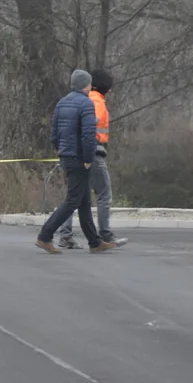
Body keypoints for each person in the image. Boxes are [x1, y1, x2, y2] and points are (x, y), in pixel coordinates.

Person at [36, 70, 116, 255]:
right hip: (80, 158)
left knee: (84, 201)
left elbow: (54, 133)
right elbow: (88, 135)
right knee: (73, 201)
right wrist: (88, 159)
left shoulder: (62, 103)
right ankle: (45, 235)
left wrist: (60, 150)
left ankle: (95, 242)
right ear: (86, 85)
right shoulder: (86, 104)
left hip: (66, 156)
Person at [56, 68, 127, 249]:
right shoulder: (95, 102)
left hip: (80, 152)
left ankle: (66, 236)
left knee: (76, 196)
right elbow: (87, 130)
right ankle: (105, 235)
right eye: (109, 87)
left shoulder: (87, 99)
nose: (111, 91)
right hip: (92, 153)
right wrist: (88, 155)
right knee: (103, 194)